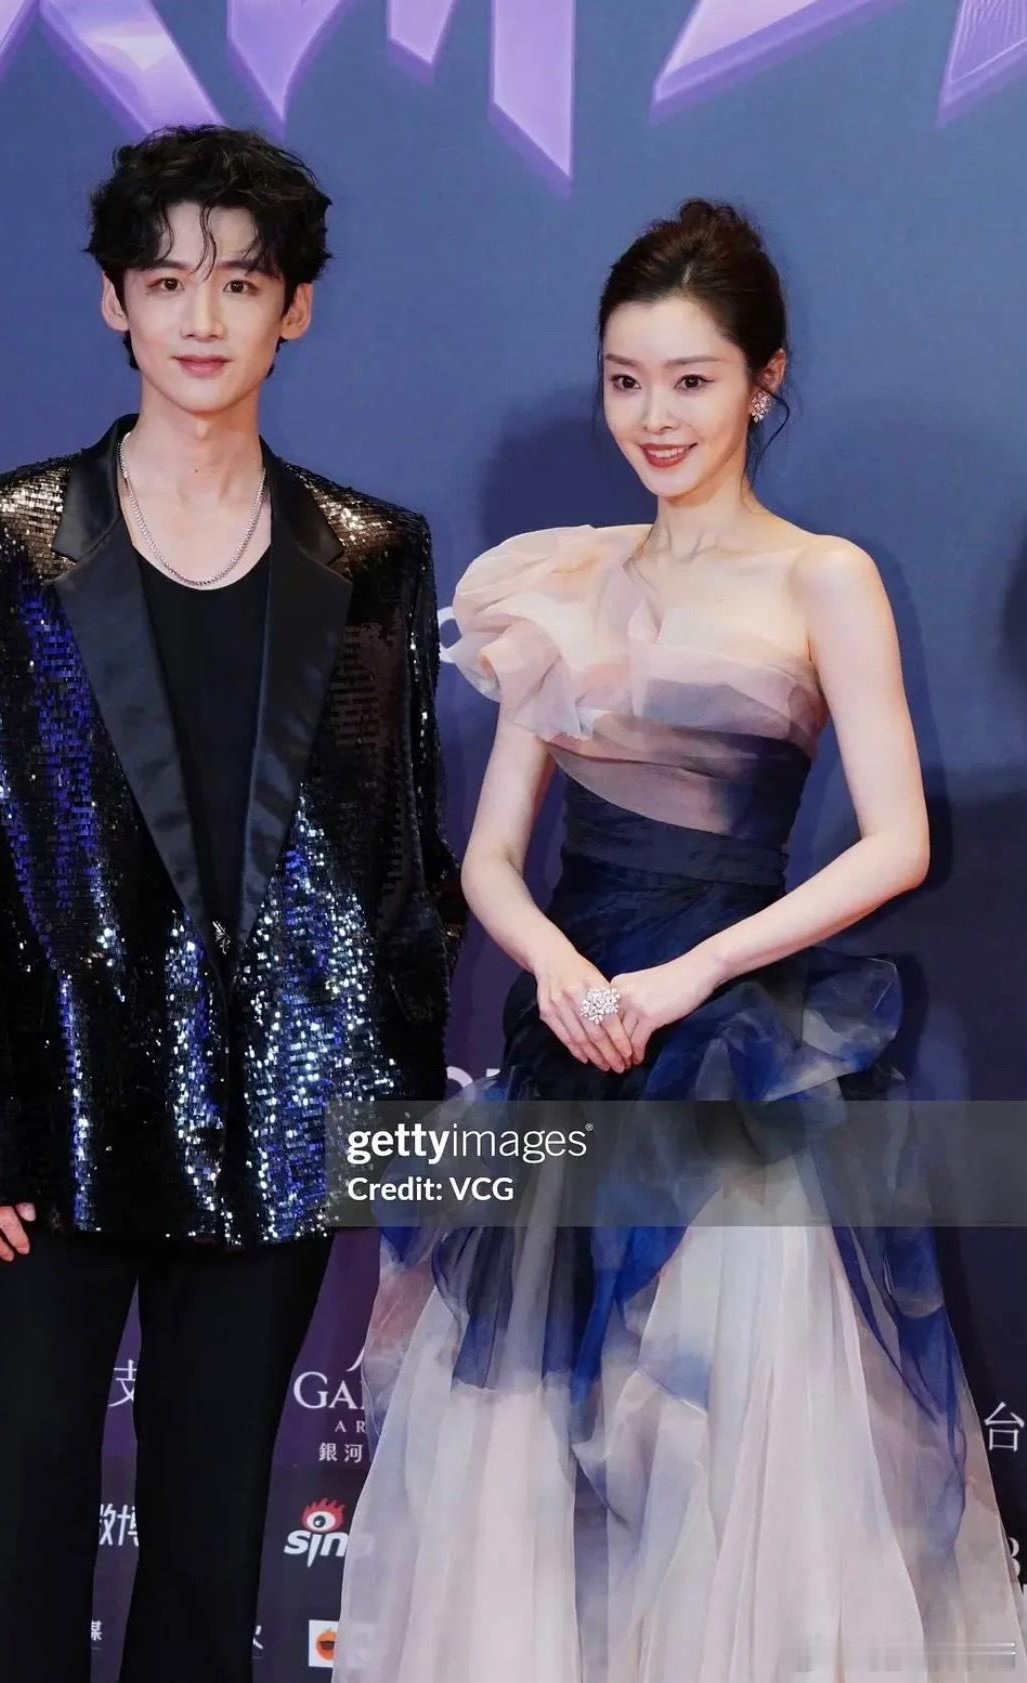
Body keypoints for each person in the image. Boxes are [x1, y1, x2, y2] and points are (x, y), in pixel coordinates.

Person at [336, 200, 1026, 1680]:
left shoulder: (822, 577)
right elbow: (491, 857)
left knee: (732, 1466)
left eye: (692, 380)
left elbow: (896, 842)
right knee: (519, 1473)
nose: (654, 417)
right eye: (625, 380)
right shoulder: (552, 584)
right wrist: (559, 970)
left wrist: (693, 973)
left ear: (762, 381)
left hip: (734, 1060)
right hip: (568, 1046)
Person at [0, 124, 464, 1683]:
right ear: (114, 302)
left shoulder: (369, 552)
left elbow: (396, 853)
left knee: (215, 1536)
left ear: (296, 307)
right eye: (165, 282)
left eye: (240, 282)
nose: (201, 318)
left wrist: (385, 1123)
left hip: (277, 1122)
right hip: (59, 1117)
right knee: (21, 1518)